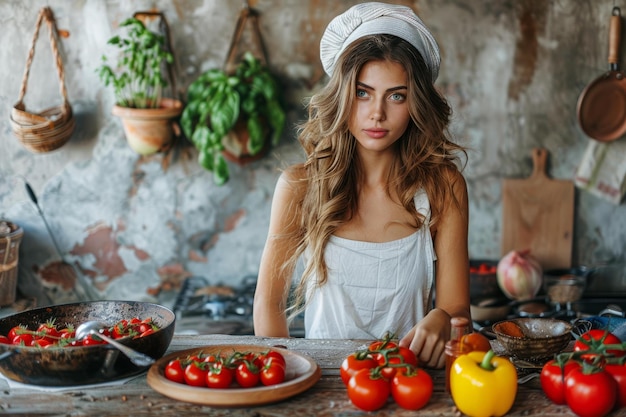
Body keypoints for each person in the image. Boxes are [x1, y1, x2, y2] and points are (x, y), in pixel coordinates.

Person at [253, 1, 470, 369]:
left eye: (396, 95)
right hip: (323, 382)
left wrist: (444, 318)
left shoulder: (443, 187)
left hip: (410, 385)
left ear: (415, 102)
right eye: (362, 92)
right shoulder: (300, 186)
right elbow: (269, 305)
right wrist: (289, 376)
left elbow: (458, 311)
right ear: (341, 95)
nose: (377, 113)